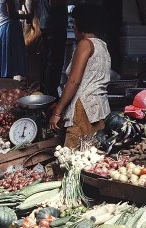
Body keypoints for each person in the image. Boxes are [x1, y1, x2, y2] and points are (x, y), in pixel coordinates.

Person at [48, 3, 110, 149]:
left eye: (74, 23)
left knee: (72, 158)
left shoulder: (85, 44)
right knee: (92, 156)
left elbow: (74, 81)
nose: (73, 28)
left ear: (81, 24)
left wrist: (57, 112)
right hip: (100, 109)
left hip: (84, 108)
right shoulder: (103, 45)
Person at [35, 0, 68, 98]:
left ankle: (46, 93)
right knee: (53, 63)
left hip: (47, 24)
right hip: (54, 26)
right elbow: (54, 3)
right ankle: (50, 95)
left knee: (48, 63)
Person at [0, 0, 29, 78]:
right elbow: (12, 15)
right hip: (9, 29)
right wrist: (27, 16)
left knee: (6, 61)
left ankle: (5, 87)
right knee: (9, 61)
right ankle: (8, 87)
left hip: (1, 28)